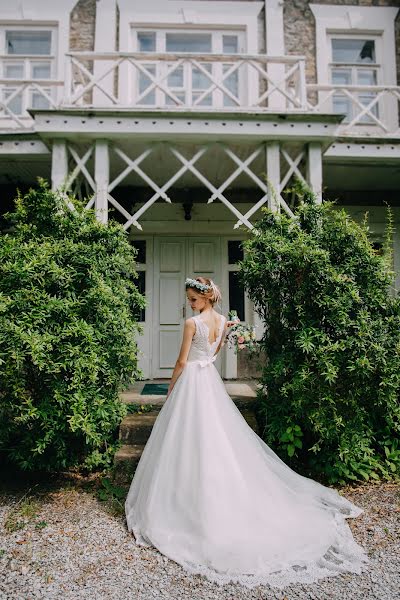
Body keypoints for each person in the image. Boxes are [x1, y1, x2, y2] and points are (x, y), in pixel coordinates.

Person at [125, 276, 368, 589]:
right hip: (210, 381)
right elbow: (212, 355)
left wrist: (170, 389)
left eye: (194, 299)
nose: (190, 303)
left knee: (196, 438)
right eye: (189, 299)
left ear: (207, 297)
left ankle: (191, 503)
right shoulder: (225, 321)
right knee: (208, 439)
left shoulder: (191, 324)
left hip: (193, 384)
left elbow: (182, 361)